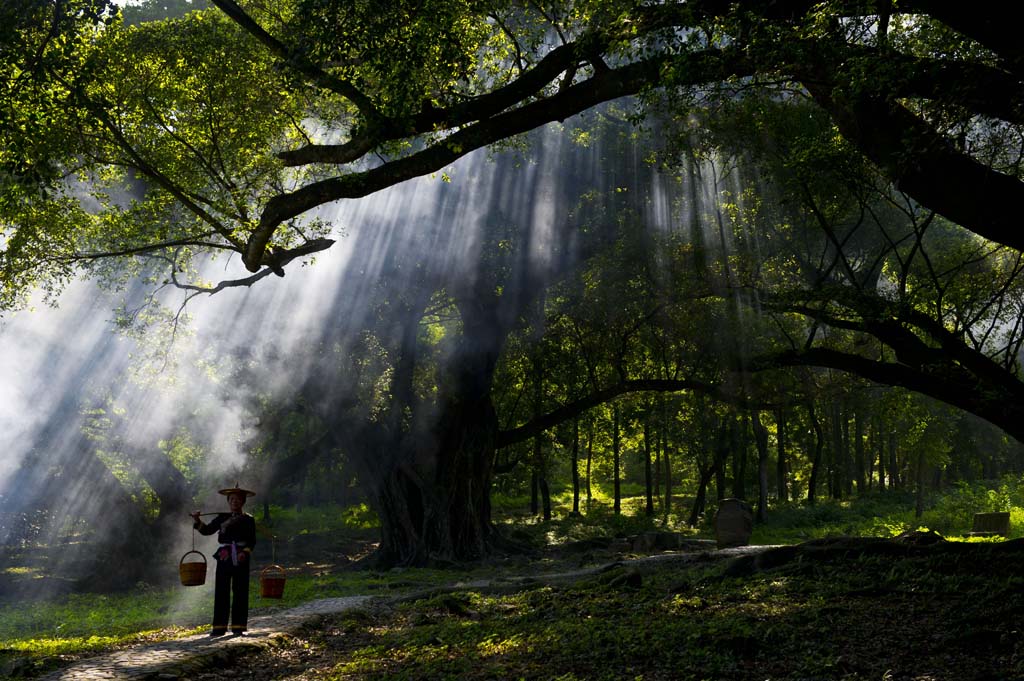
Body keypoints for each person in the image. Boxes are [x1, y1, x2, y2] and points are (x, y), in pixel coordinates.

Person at [190, 483, 257, 637]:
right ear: (228, 501)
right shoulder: (222, 517)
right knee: (221, 590)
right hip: (224, 556)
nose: (235, 502)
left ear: (243, 502)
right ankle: (219, 627)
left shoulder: (248, 520)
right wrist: (197, 520)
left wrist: (244, 553)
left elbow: (252, 541)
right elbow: (207, 531)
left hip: (241, 557)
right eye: (232, 499)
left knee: (241, 590)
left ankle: (238, 627)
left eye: (238, 499)